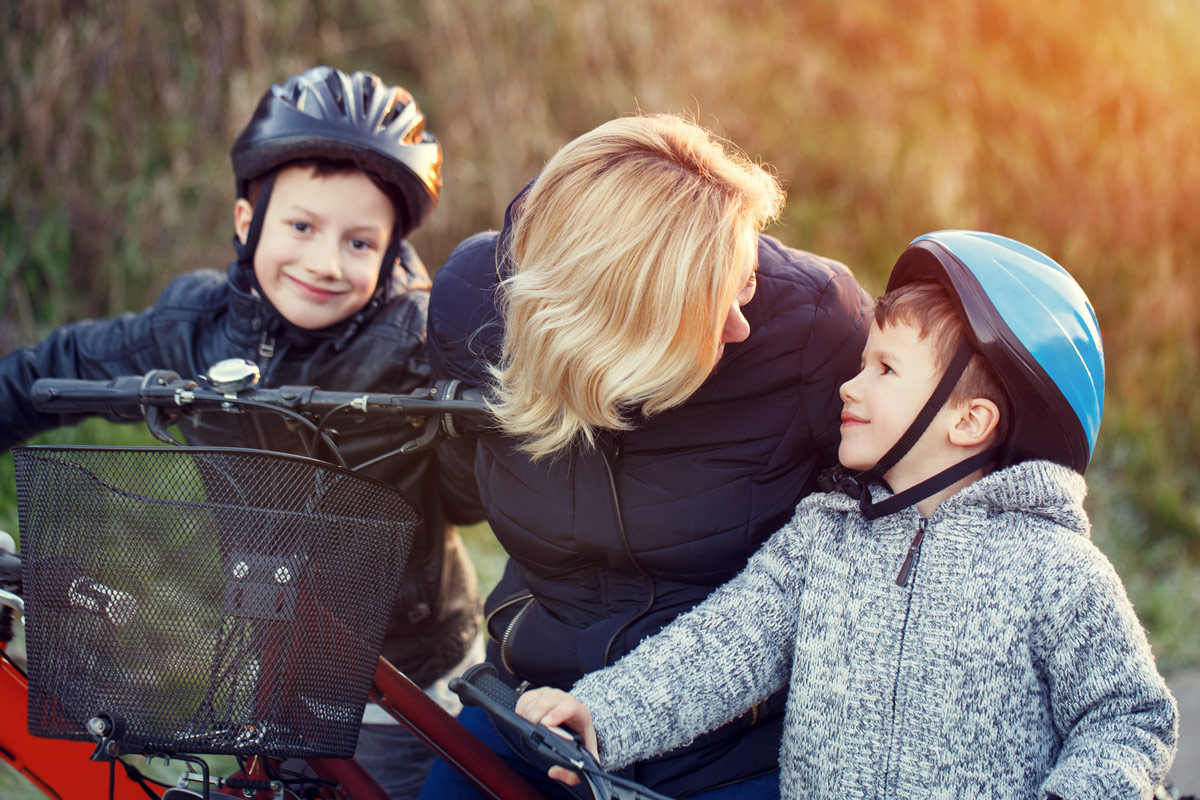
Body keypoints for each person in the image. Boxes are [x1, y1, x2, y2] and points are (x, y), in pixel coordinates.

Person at [514, 230, 1180, 800]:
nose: (850, 386)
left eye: (884, 369)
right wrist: (601, 713)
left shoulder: (1054, 569)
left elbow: (1129, 720)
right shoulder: (824, 538)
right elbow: (721, 647)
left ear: (970, 420)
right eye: (862, 363)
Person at [0, 65, 483, 799]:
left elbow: (480, 489)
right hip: (269, 646)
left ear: (392, 252)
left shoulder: (419, 343)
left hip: (405, 667)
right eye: (301, 227)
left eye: (360, 243)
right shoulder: (194, 329)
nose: (325, 263)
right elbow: (47, 373)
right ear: (245, 221)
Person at [422, 114, 873, 799]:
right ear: (609, 315)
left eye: (746, 280)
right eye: (707, 303)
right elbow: (457, 474)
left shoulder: (814, 325)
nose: (739, 325)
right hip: (531, 708)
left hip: (732, 743)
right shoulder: (473, 308)